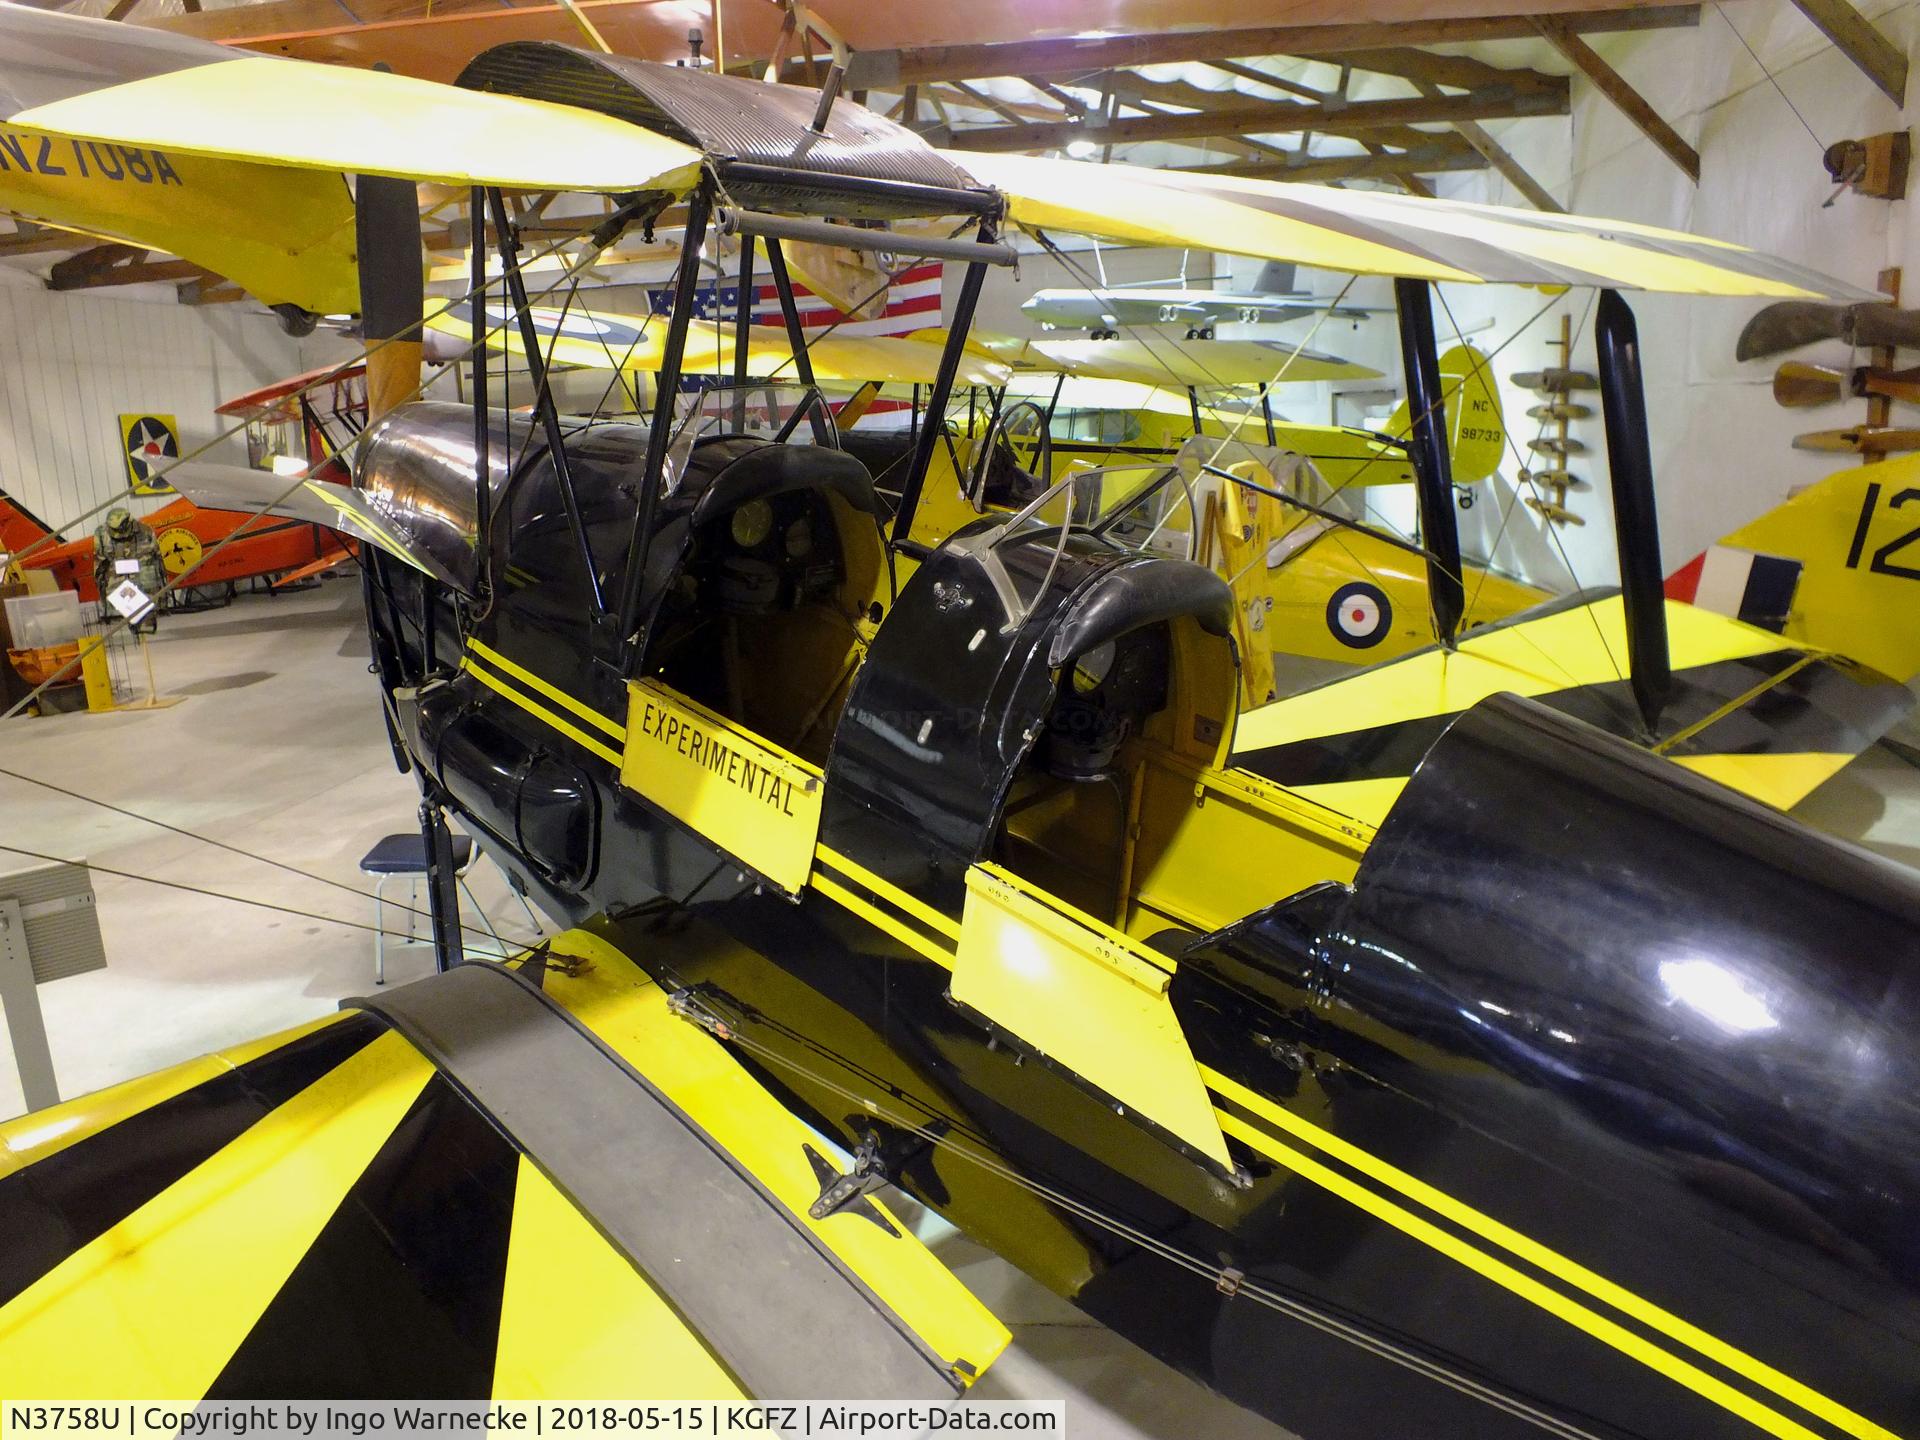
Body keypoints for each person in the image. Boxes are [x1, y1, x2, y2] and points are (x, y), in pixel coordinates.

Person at [92, 505, 164, 633]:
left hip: (143, 577)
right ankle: (135, 620)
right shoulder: (101, 534)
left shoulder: (146, 531)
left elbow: (157, 560)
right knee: (123, 598)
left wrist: (163, 593)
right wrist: (101, 588)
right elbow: (100, 564)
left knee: (147, 612)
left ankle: (146, 621)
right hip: (118, 580)